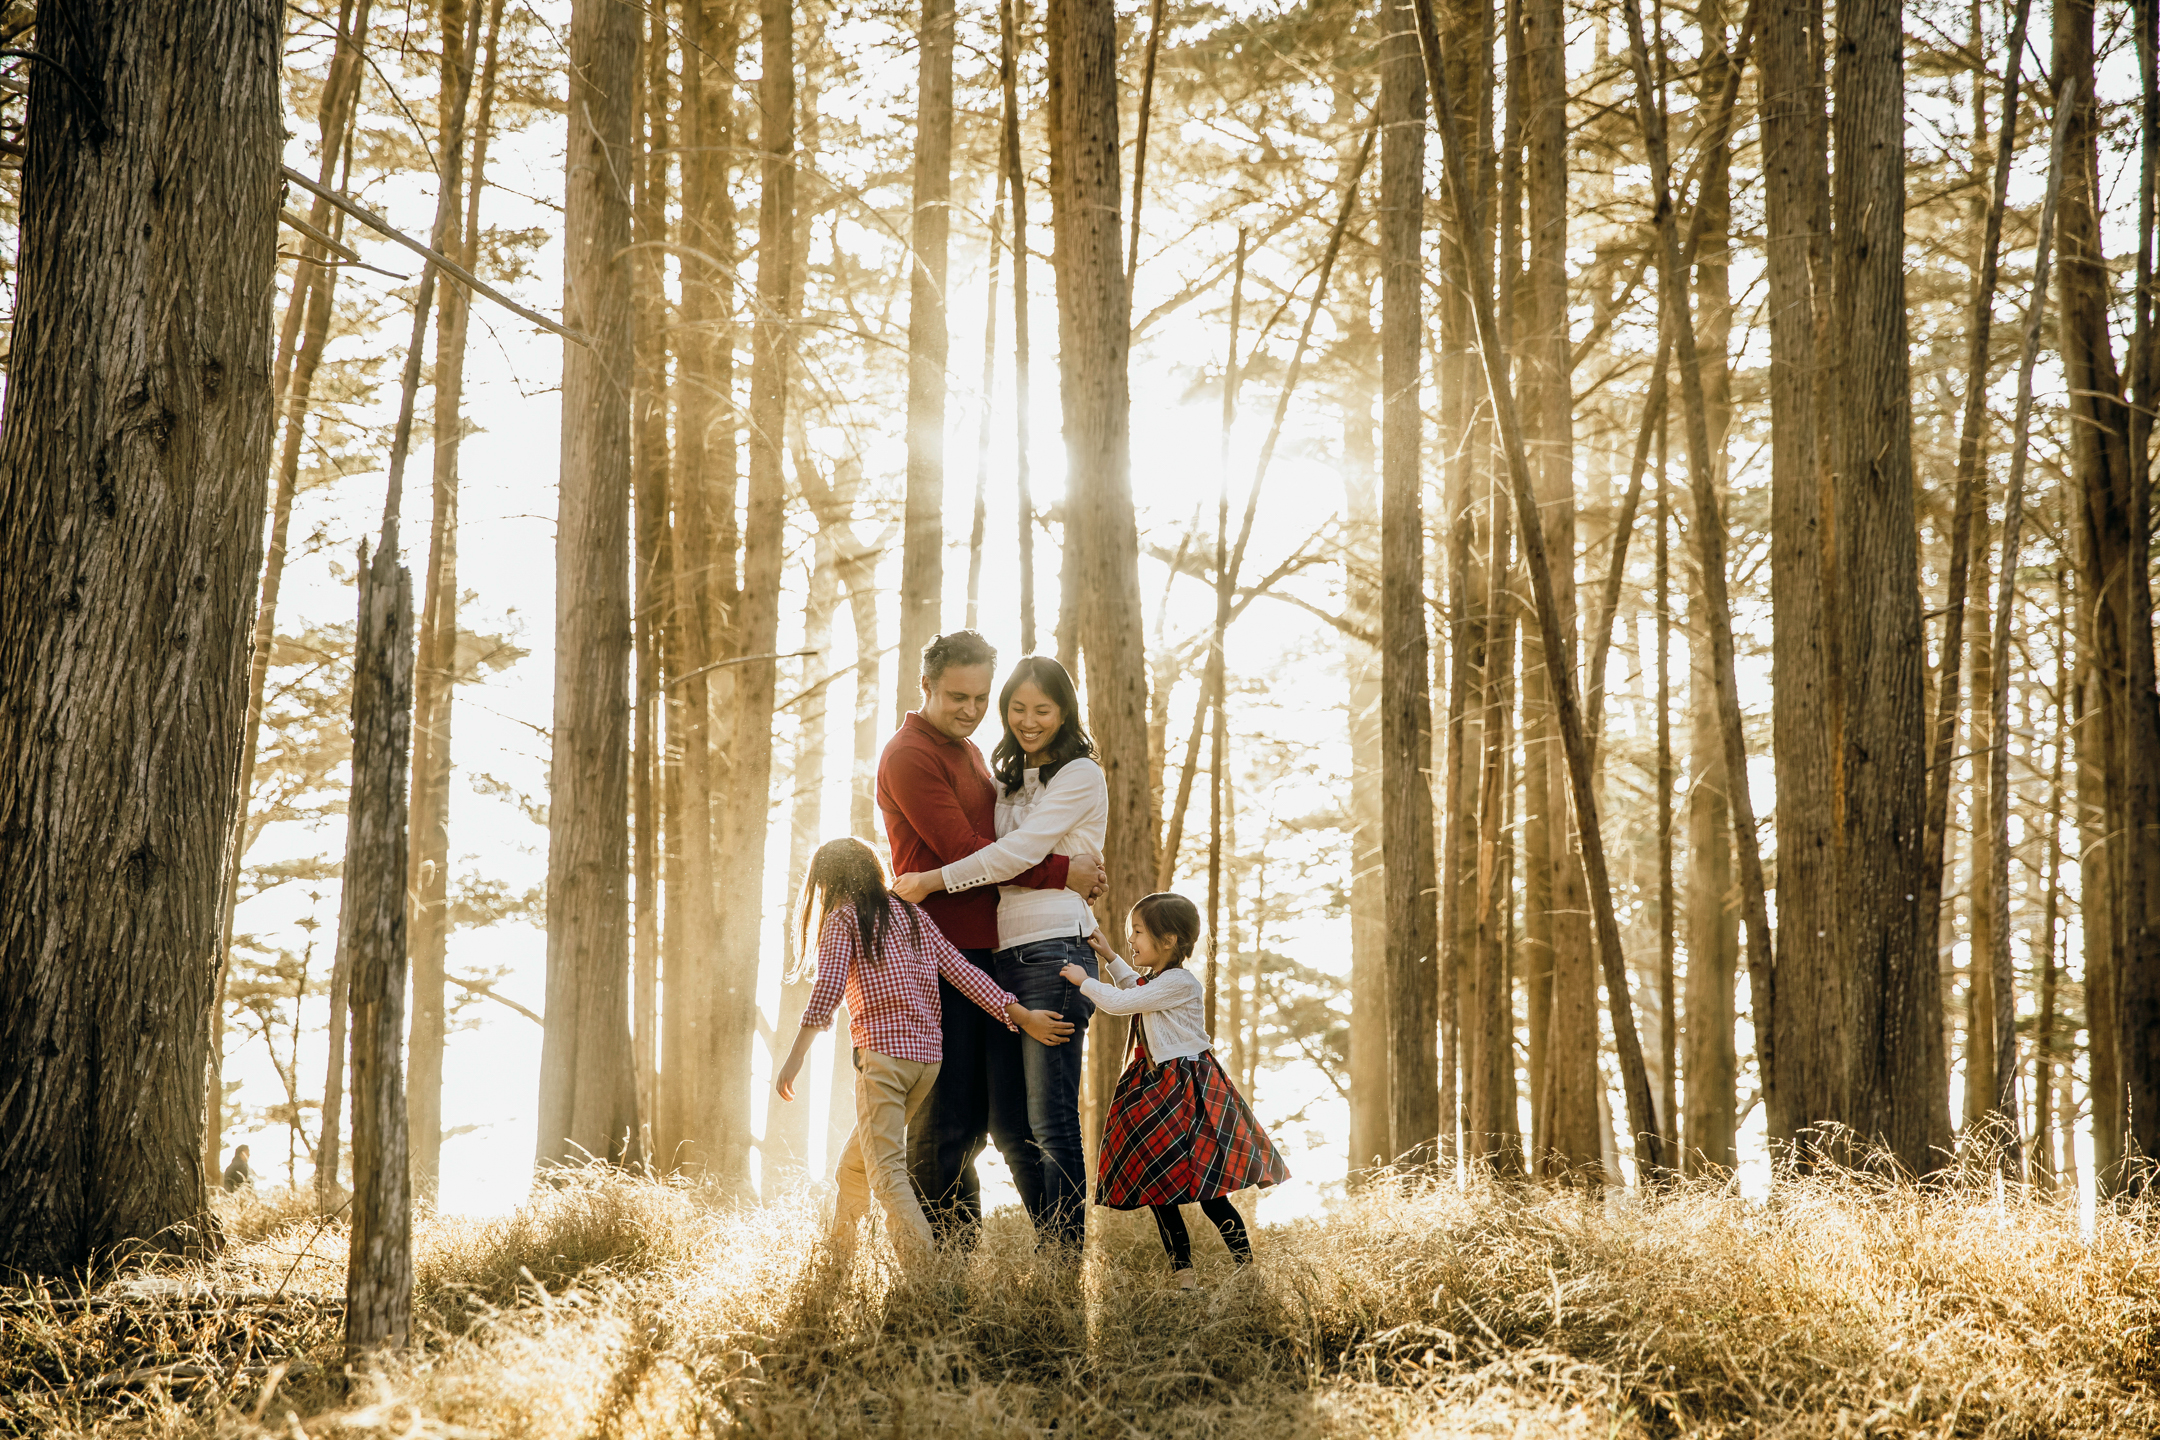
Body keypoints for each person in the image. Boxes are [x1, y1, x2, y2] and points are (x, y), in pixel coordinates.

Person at [875, 629, 1103, 1245]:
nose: (970, 710)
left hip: (994, 955)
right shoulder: (910, 755)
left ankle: (1045, 1254)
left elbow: (1010, 843)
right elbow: (969, 851)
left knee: (999, 1122)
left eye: (981, 698)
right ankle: (942, 1266)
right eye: (957, 697)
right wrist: (1065, 872)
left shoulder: (972, 753)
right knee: (947, 1118)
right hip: (938, 955)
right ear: (925, 687)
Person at [775, 837, 1075, 1266]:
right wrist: (1021, 1015)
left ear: (828, 882)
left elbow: (828, 990)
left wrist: (795, 1058)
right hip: (925, 1064)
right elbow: (963, 972)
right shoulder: (913, 916)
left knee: (887, 1174)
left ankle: (925, 1277)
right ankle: (836, 1264)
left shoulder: (844, 919)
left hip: (882, 1060)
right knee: (856, 1167)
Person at [1061, 892, 1289, 1290]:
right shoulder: (1161, 982)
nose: (1132, 939)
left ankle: (1247, 1270)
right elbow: (1138, 990)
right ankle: (1184, 1279)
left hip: (1186, 1089)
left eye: (1138, 932)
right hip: (1156, 1087)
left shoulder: (1180, 982)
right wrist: (1112, 956)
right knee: (1159, 1188)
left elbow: (1124, 1001)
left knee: (1209, 1193)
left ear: (1168, 941)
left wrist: (1086, 982)